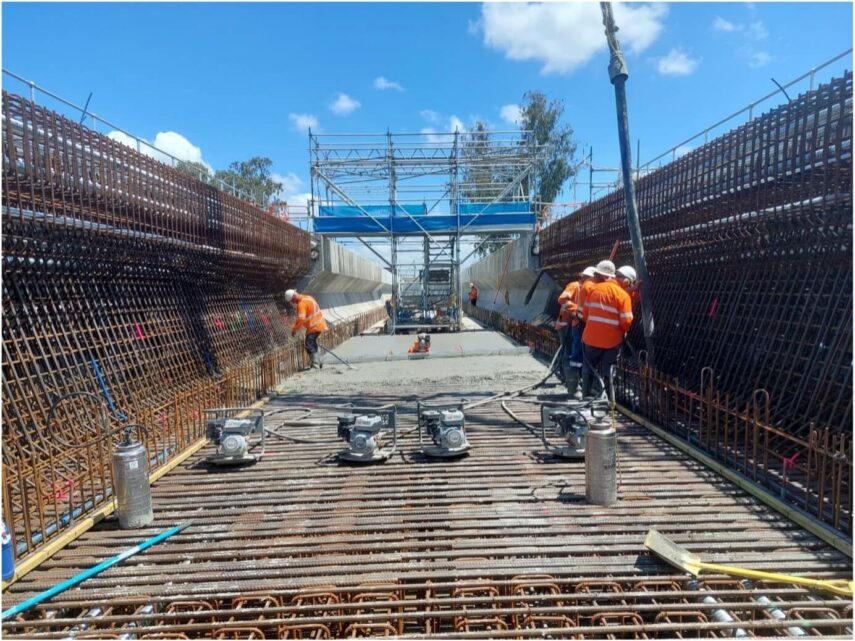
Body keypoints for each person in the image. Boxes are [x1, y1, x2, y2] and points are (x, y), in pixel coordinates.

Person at [581, 260, 633, 401]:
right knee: (609, 369)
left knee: (589, 368)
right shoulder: (623, 296)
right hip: (612, 341)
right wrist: (621, 331)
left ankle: (586, 398)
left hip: (591, 339)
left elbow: (585, 314)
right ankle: (609, 400)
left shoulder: (593, 290)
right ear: (627, 281)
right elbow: (627, 321)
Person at [555, 266, 597, 399]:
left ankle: (570, 382)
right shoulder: (574, 286)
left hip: (576, 324)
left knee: (573, 354)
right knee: (569, 354)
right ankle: (572, 387)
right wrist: (574, 311)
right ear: (586, 277)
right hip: (565, 325)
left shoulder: (589, 289)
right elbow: (562, 299)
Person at [285, 289, 328, 369]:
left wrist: (294, 329)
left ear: (294, 296)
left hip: (314, 326)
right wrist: (294, 326)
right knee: (312, 343)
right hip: (318, 324)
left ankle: (315, 364)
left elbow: (301, 319)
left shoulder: (301, 304)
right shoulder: (307, 297)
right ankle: (318, 360)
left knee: (309, 344)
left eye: (292, 300)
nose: (293, 302)